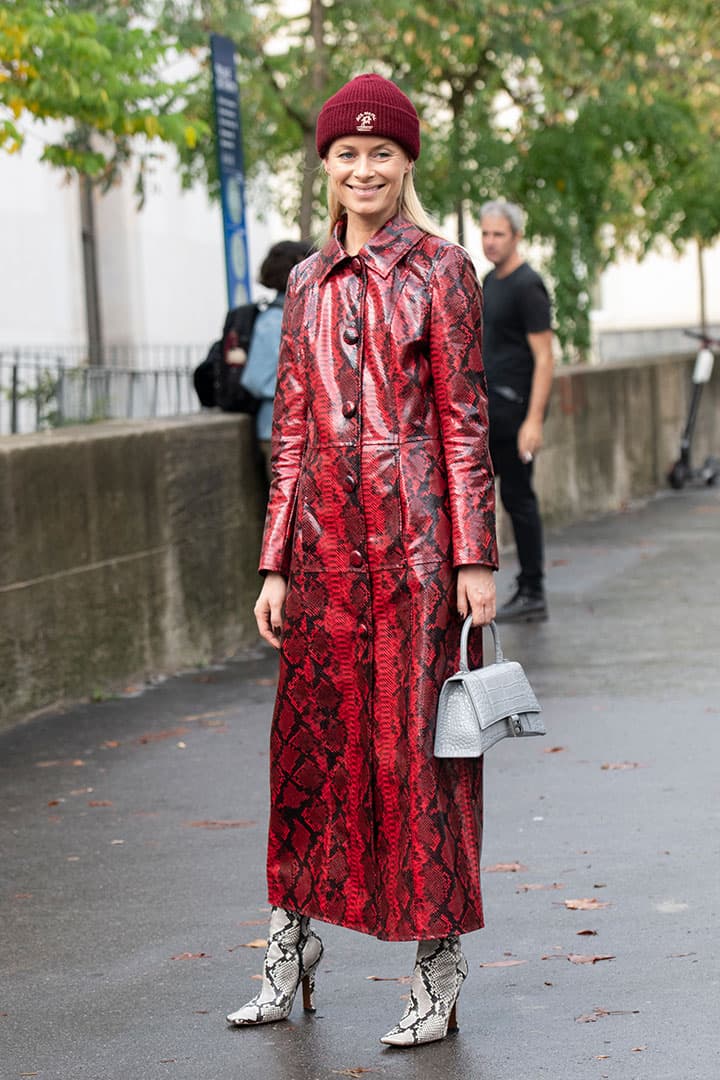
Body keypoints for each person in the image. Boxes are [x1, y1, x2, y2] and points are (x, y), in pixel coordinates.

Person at [225, 74, 498, 1047]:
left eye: (382, 152)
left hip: (419, 559)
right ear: (327, 165)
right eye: (348, 152)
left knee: (420, 764)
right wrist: (274, 564)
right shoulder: (303, 282)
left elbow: (465, 422)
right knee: (305, 762)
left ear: (406, 161)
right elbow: (290, 432)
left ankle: (438, 969)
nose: (365, 167)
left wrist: (475, 554)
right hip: (323, 563)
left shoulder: (444, 270)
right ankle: (290, 948)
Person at [480, 201, 554, 622]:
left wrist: (534, 422)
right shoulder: (490, 281)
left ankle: (533, 590)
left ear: (517, 236)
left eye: (499, 235)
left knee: (519, 499)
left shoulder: (528, 286)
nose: (490, 242)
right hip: (489, 413)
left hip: (516, 414)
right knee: (483, 499)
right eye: (486, 234)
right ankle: (517, 587)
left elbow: (545, 357)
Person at [229, 240, 314, 480]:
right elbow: (256, 379)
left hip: (302, 432)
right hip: (280, 434)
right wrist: (303, 389)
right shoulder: (273, 321)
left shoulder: (301, 313)